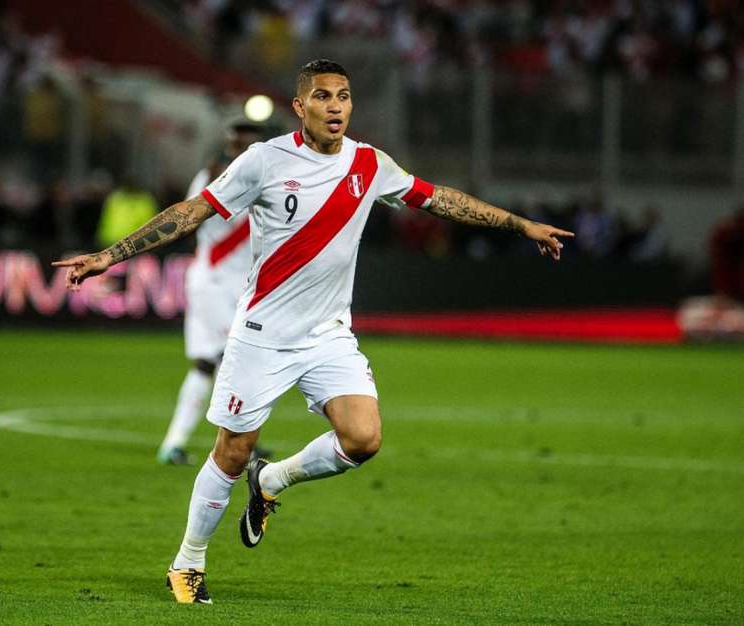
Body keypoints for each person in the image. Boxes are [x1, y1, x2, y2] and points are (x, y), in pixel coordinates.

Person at [53, 59, 574, 605]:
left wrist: (521, 224)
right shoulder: (264, 160)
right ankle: (188, 562)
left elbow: (440, 198)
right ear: (301, 107)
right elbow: (192, 212)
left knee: (363, 438)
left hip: (327, 335)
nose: (336, 107)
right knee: (232, 451)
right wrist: (112, 255)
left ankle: (272, 480)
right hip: (262, 332)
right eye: (323, 97)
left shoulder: (370, 164)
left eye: (344, 97)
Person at [157, 116, 271, 465]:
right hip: (215, 280)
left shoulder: (265, 178)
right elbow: (191, 219)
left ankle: (186, 443)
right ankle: (226, 443)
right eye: (239, 141)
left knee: (214, 363)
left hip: (238, 283)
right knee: (228, 360)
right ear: (230, 142)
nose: (243, 148)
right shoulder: (212, 176)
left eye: (250, 142)